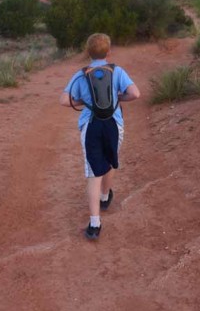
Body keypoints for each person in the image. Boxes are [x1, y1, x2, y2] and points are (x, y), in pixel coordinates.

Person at [60, 33, 140, 240]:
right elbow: (135, 94)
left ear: (87, 52)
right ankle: (105, 197)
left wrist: (84, 102)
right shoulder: (117, 71)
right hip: (114, 124)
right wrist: (118, 98)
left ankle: (94, 224)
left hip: (91, 126)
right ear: (109, 52)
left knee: (93, 173)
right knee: (111, 161)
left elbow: (64, 100)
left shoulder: (81, 74)